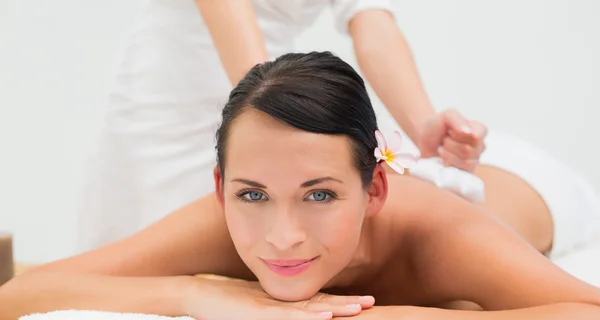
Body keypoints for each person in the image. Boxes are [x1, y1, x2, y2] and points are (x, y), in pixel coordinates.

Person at [3, 52, 600, 320]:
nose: (281, 235)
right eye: (252, 194)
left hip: (536, 184)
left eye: (319, 195)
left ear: (375, 190)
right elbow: (15, 301)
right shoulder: (226, 218)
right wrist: (196, 291)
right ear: (221, 189)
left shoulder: (441, 234)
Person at [76, 0, 488, 252]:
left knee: (270, 245)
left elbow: (372, 21)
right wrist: (271, 122)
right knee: (139, 261)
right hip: (167, 105)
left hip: (272, 92)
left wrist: (424, 126)